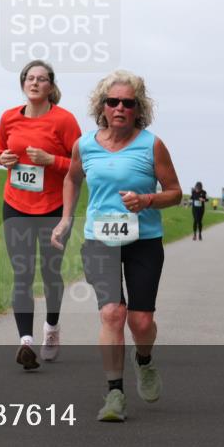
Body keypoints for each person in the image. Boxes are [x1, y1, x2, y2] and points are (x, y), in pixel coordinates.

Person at [51, 70, 181, 422]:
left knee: (140, 321)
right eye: (113, 102)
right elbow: (72, 178)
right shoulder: (85, 145)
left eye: (128, 102)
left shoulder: (151, 144)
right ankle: (114, 395)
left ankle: (144, 359)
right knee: (112, 313)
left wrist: (148, 200)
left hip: (144, 240)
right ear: (102, 107)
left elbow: (175, 192)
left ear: (138, 109)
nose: (120, 107)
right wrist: (66, 219)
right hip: (99, 239)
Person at [0, 61, 82, 369]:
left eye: (41, 79)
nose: (35, 83)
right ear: (22, 83)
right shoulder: (8, 118)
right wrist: (2, 158)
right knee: (22, 273)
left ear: (51, 86)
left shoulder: (64, 120)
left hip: (53, 208)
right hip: (16, 204)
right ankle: (25, 342)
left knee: (49, 273)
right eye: (30, 78)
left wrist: (51, 160)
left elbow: (79, 166)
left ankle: (52, 329)